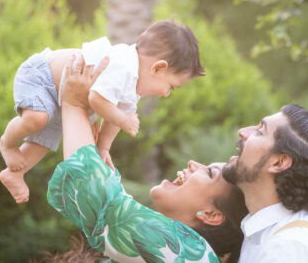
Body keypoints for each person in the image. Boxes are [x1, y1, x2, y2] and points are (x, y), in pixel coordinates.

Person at [47, 55, 248, 262]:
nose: (192, 163)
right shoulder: (188, 251)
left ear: (211, 214)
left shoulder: (189, 251)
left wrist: (74, 103)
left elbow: (101, 203)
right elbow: (113, 204)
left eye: (209, 173)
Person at [0, 20, 205, 204]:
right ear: (158, 68)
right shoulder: (124, 65)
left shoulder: (133, 87)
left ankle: (15, 174)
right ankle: (7, 144)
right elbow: (97, 99)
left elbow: (112, 117)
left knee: (42, 143)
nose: (167, 94)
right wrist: (125, 120)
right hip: (42, 76)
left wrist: (103, 148)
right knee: (36, 119)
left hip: (63, 96)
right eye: (171, 86)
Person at [221, 103, 308, 262]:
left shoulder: (288, 248)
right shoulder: (268, 236)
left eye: (260, 132)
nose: (243, 132)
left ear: (278, 163)